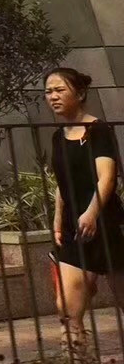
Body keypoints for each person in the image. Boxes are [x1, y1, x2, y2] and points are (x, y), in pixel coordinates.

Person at [44, 67, 124, 349]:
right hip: (73, 228)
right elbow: (61, 182)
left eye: (59, 90)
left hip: (105, 224)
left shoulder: (98, 130)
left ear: (79, 94)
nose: (53, 96)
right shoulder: (57, 137)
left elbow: (107, 178)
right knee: (67, 307)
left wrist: (91, 213)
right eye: (48, 92)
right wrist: (58, 220)